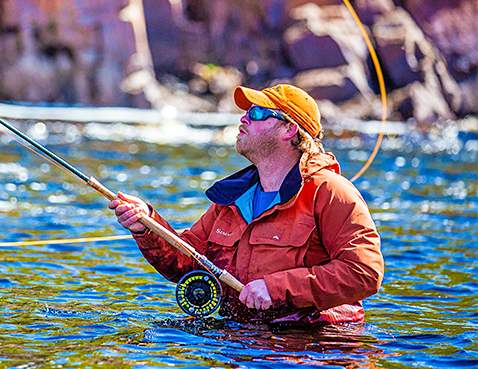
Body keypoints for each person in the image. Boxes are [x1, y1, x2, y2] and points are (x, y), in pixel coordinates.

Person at [110, 84, 384, 325]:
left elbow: (364, 272)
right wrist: (146, 224)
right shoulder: (231, 198)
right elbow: (188, 262)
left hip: (316, 346)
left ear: (289, 129)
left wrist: (276, 288)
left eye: (256, 113)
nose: (243, 118)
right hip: (243, 342)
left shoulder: (332, 192)